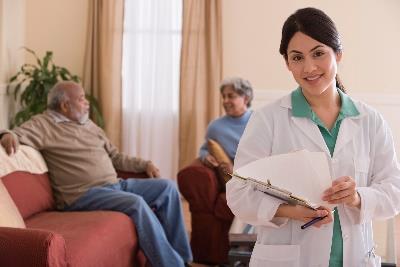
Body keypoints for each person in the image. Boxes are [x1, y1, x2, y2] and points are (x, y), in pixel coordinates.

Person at [226, 7, 400, 267]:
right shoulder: (267, 119)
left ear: (338, 54)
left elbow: (394, 192)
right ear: (287, 63)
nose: (309, 67)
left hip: (355, 259)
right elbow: (238, 193)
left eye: (318, 53)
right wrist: (293, 211)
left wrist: (356, 198)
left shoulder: (370, 121)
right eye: (297, 57)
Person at [0, 81, 192, 267]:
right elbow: (15, 133)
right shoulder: (44, 124)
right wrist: (6, 135)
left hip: (115, 185)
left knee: (167, 188)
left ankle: (183, 258)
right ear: (65, 105)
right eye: (82, 99)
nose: (87, 103)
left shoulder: (89, 125)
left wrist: (145, 164)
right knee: (136, 203)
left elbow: (115, 156)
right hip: (82, 194)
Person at [199, 77, 253, 175]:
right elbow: (204, 149)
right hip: (235, 179)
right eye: (224, 97)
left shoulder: (259, 120)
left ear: (245, 99)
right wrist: (205, 156)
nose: (225, 101)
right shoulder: (215, 127)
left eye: (231, 96)